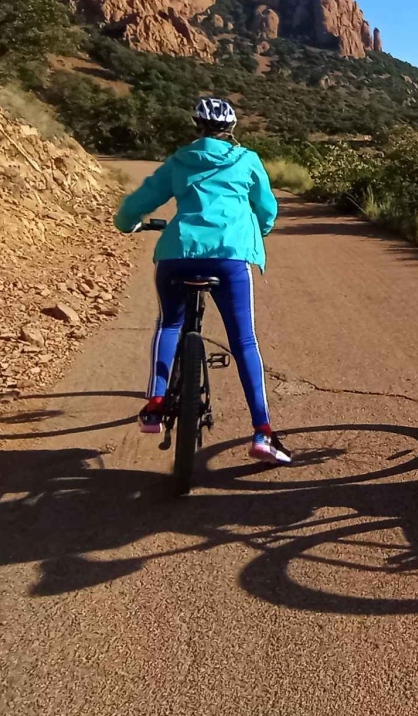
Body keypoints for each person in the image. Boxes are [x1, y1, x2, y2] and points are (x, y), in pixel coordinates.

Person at [114, 96, 292, 464]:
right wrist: (258, 233)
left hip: (177, 255)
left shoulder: (179, 160)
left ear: (197, 126)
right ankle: (263, 433)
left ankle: (155, 403)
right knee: (243, 340)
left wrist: (127, 224)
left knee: (169, 324)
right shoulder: (247, 160)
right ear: (232, 129)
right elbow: (268, 209)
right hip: (230, 258)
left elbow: (137, 203)